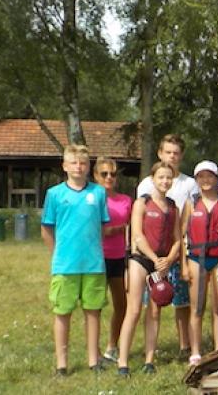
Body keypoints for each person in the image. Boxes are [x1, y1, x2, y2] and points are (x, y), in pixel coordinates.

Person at [41, 145, 110, 376]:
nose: (78, 167)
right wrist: (58, 254)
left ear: (88, 166)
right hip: (65, 266)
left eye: (82, 163)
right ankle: (62, 363)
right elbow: (46, 230)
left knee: (93, 311)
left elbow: (101, 226)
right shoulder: (54, 194)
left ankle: (93, 360)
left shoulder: (99, 193)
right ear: (65, 166)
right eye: (73, 162)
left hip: (93, 264)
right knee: (63, 312)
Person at [135, 134, 198, 357]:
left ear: (181, 156)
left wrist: (177, 256)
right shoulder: (146, 184)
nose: (172, 156)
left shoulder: (189, 183)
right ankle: (151, 348)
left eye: (176, 153)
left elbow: (190, 218)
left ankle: (184, 345)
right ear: (160, 153)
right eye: (168, 152)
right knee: (153, 300)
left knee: (181, 302)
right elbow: (140, 222)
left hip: (180, 249)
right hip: (152, 253)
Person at [117, 162, 182, 376]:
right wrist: (155, 259)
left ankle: (149, 360)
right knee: (134, 310)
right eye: (161, 177)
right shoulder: (142, 203)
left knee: (154, 312)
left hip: (161, 263)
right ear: (153, 179)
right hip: (141, 259)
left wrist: (169, 259)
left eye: (168, 178)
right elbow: (137, 235)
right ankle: (123, 362)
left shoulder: (173, 207)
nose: (165, 181)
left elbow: (177, 239)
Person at [182, 161, 218, 365]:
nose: (205, 181)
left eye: (209, 176)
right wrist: (183, 265)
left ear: (217, 178)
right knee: (197, 307)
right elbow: (181, 236)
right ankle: (195, 351)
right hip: (196, 257)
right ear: (196, 180)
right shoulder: (191, 203)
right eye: (201, 177)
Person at [94, 157, 131, 366]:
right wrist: (111, 230)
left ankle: (111, 347)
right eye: (104, 174)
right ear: (96, 176)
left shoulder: (126, 200)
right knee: (95, 307)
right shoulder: (91, 198)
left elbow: (132, 225)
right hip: (97, 257)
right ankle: (95, 351)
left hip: (119, 257)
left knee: (122, 305)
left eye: (113, 174)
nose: (109, 177)